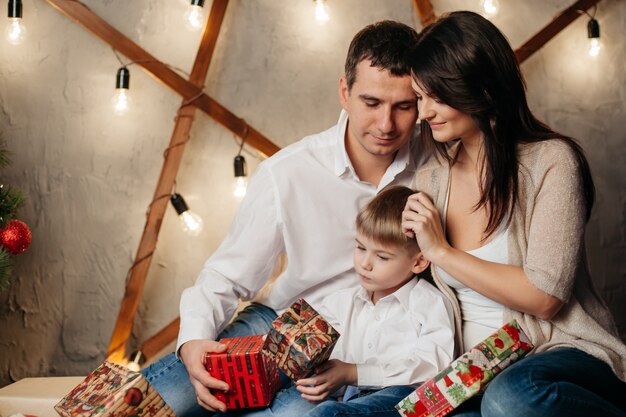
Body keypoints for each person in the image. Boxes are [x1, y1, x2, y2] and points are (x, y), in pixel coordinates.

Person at [141, 20, 429, 416]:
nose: (386, 124)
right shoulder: (288, 171)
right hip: (279, 319)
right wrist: (192, 340)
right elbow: (226, 276)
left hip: (357, 343)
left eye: (404, 106)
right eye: (372, 102)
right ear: (344, 93)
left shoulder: (437, 166)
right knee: (165, 398)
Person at [401, 11, 626, 417]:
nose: (424, 112)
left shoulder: (551, 162)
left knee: (510, 398)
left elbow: (544, 297)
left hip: (559, 353)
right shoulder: (430, 178)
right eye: (419, 97)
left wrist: (441, 252)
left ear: (482, 89)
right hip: (473, 372)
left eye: (437, 95)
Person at [223, 185, 454, 417]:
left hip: (396, 397)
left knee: (330, 413)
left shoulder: (429, 302)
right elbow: (314, 348)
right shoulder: (342, 301)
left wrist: (353, 373)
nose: (365, 263)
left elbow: (433, 367)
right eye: (360, 248)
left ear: (418, 262)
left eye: (382, 256)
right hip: (341, 397)